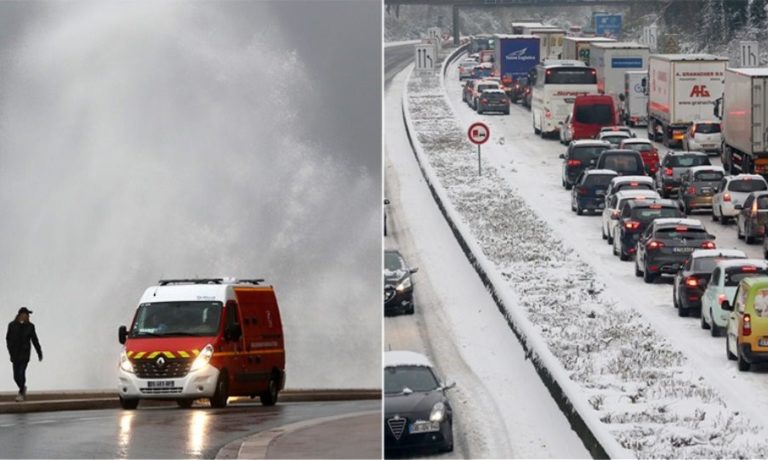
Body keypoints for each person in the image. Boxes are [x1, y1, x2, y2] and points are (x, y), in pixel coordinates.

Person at [6, 307, 43, 402]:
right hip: (15, 354)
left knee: (21, 373)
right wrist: (10, 350)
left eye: (27, 315)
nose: (25, 317)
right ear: (19, 315)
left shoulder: (30, 326)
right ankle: (23, 388)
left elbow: (35, 340)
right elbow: (8, 338)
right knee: (15, 376)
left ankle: (21, 393)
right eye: (24, 315)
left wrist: (39, 352)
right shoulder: (12, 325)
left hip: (24, 354)